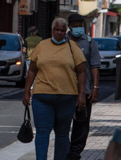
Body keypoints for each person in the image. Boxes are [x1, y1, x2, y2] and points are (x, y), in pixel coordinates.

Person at [22, 18, 87, 160]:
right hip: (42, 97)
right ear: (52, 30)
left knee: (62, 133)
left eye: (62, 30)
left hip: (67, 97)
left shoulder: (73, 47)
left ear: (66, 31)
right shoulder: (42, 45)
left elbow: (82, 71)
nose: (59, 33)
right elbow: (32, 70)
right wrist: (27, 91)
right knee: (42, 132)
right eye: (57, 30)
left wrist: (82, 94)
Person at [65, 13, 101, 160]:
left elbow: (94, 66)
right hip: (64, 91)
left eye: (81, 26)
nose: (79, 28)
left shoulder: (90, 42)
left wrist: (96, 87)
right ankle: (64, 151)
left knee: (81, 127)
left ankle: (74, 155)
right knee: (63, 126)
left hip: (84, 91)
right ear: (70, 27)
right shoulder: (62, 41)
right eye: (76, 26)